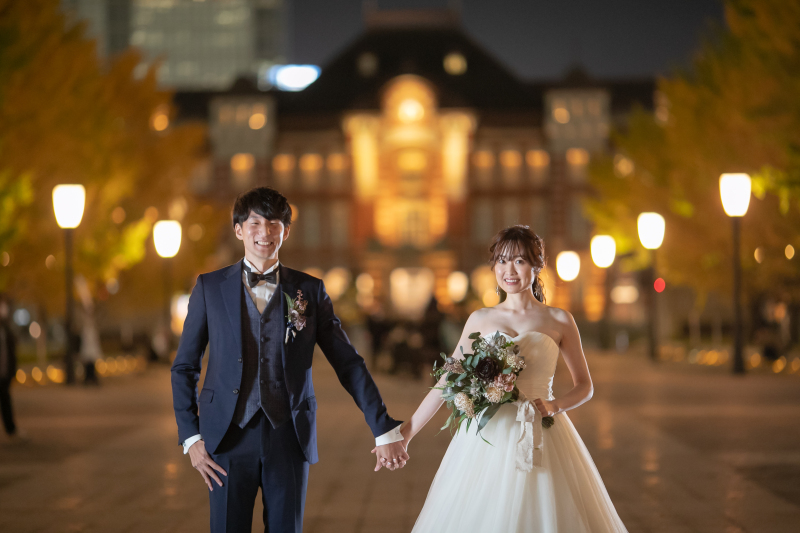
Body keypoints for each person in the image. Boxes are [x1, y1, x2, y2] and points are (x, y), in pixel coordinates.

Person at [171, 187, 408, 533]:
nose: (264, 232)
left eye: (274, 223)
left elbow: (348, 363)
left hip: (289, 436)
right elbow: (185, 366)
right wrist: (191, 437)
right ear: (239, 229)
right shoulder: (209, 288)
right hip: (225, 437)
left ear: (286, 231)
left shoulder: (309, 291)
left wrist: (382, 426)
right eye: (255, 222)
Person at [397, 225, 628, 532]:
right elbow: (446, 382)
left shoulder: (559, 320)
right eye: (502, 261)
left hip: (541, 428)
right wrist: (406, 433)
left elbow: (585, 386)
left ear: (537, 265)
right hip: (487, 437)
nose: (509, 270)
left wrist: (555, 405)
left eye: (519, 261)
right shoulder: (480, 318)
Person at [0, 294, 21, 441]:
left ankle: (11, 430)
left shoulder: (5, 327)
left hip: (4, 373)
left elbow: (11, 350)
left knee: (6, 401)